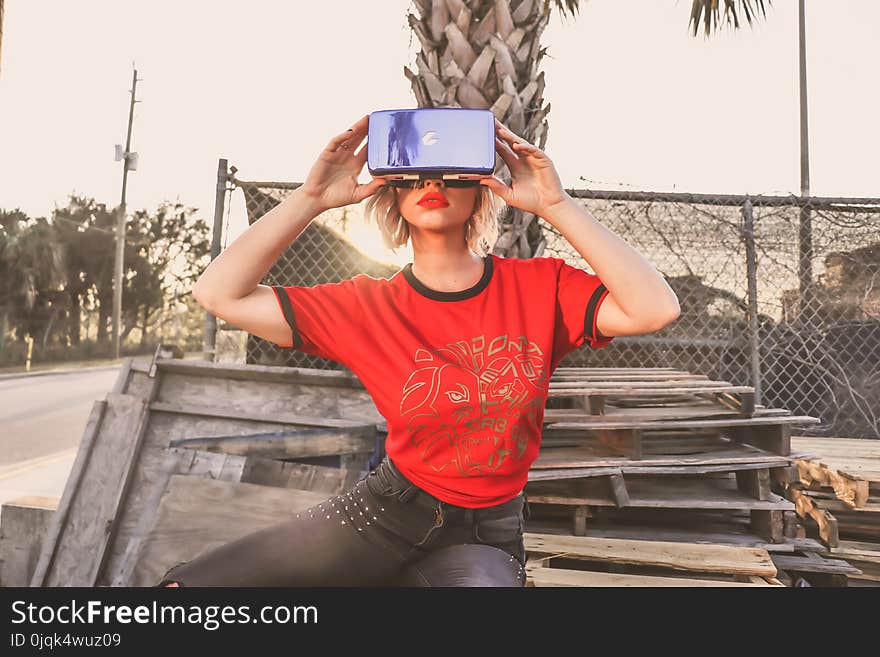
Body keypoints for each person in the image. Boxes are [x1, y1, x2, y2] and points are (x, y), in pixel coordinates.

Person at [157, 113, 680, 587]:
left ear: (482, 187)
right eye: (414, 173)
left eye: (452, 171)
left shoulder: (543, 288)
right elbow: (218, 293)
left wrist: (556, 205)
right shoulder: (364, 305)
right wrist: (310, 198)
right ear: (391, 191)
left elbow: (654, 308)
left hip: (481, 538)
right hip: (383, 513)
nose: (433, 184)